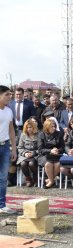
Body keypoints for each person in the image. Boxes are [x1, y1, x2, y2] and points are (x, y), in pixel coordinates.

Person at [0, 86, 17, 214]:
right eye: (7, 94)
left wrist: (14, 148)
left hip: (5, 146)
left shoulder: (9, 111)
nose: (9, 97)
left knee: (3, 177)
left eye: (10, 94)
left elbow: (11, 130)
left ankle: (2, 205)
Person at [38, 119, 65, 189]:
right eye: (51, 127)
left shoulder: (58, 134)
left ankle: (50, 180)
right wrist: (50, 151)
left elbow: (63, 147)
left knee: (58, 164)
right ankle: (52, 181)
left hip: (56, 155)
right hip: (44, 155)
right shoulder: (41, 134)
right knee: (48, 164)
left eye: (54, 126)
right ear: (47, 127)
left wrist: (58, 150)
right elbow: (40, 149)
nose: (54, 128)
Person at [17, 119, 39, 187]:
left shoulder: (38, 135)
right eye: (27, 127)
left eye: (30, 127)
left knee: (31, 164)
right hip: (24, 155)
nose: (29, 129)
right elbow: (20, 147)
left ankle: (36, 178)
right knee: (23, 163)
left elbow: (40, 148)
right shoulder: (23, 135)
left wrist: (33, 153)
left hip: (35, 155)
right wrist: (25, 153)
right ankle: (28, 179)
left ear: (34, 127)